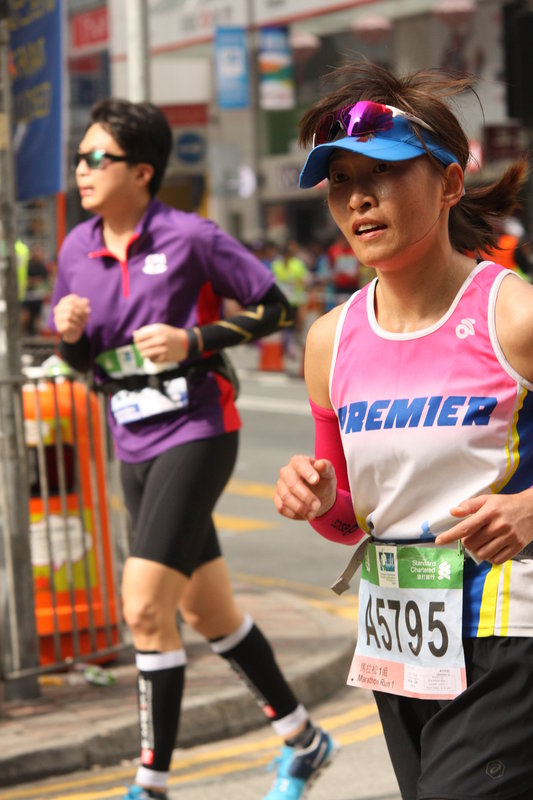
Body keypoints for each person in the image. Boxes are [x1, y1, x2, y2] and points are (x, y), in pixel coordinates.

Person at [49, 98, 335, 800]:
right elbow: (85, 363)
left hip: (198, 428)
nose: (82, 169)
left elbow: (274, 307)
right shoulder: (74, 249)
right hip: (130, 438)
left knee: (146, 608)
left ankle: (150, 786)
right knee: (209, 613)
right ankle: (303, 739)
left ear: (141, 171)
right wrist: (70, 335)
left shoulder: (190, 237)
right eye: (79, 158)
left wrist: (193, 340)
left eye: (97, 158)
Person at [274, 61, 533, 800]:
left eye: (382, 173)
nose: (357, 198)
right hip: (401, 643)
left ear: (449, 184)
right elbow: (344, 521)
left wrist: (529, 507)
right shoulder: (330, 340)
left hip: (508, 631)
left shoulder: (511, 316)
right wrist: (315, 497)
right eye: (339, 180)